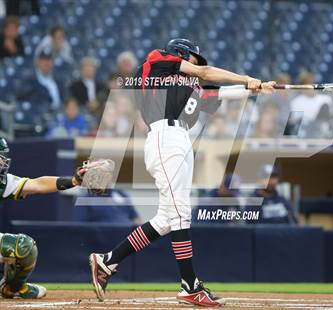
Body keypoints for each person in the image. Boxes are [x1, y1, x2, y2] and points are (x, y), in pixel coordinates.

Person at [88, 38, 275, 307]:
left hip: (180, 141)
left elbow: (219, 93)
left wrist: (257, 88)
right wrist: (247, 78)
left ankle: (107, 261)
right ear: (180, 54)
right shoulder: (157, 61)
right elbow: (204, 74)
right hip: (165, 137)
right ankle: (189, 285)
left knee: (167, 218)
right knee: (179, 213)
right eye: (193, 60)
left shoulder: (190, 87)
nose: (196, 66)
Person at [0, 137, 84, 298]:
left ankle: (12, 288)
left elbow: (37, 184)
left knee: (24, 247)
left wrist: (73, 181)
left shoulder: (2, 182)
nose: (2, 163)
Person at [74, 188, 141, 225]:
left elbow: (136, 218)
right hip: (103, 239)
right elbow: (80, 226)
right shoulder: (85, 199)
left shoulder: (121, 194)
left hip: (128, 238)